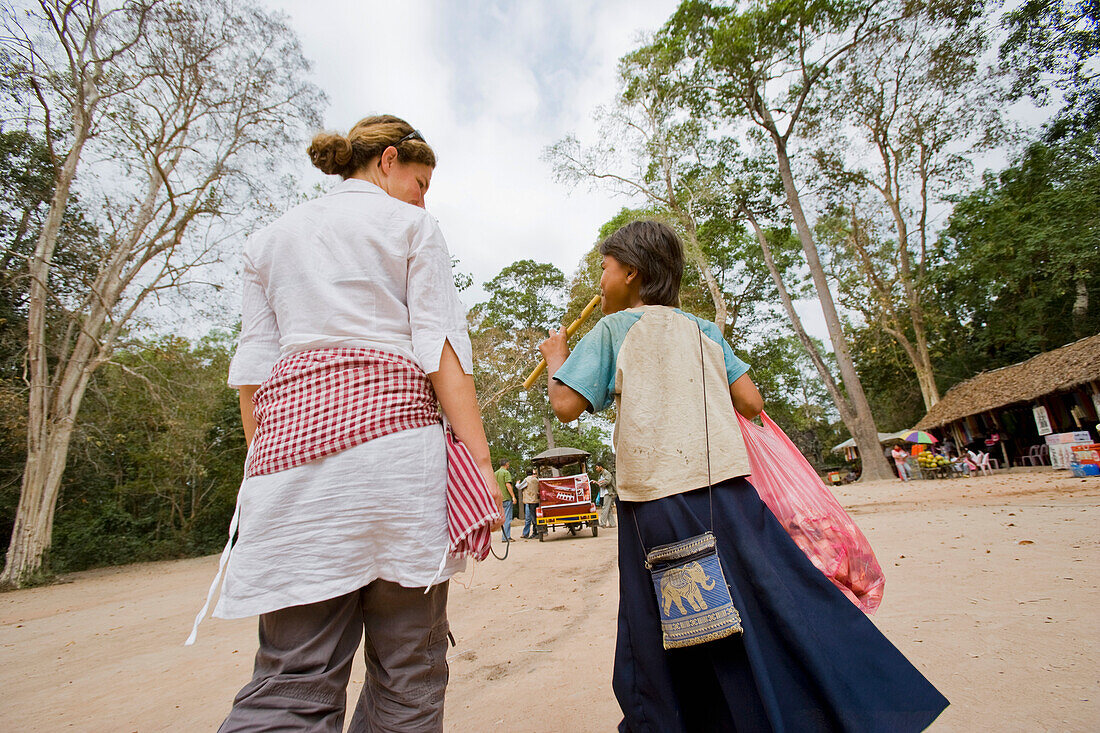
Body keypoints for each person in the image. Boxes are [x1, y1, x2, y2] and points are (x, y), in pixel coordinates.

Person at [539, 220, 948, 732]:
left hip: (658, 503)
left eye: (604, 269)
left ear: (631, 274)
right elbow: (751, 400)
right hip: (729, 492)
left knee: (666, 622)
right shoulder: (702, 329)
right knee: (754, 605)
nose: (600, 281)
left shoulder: (612, 330)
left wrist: (558, 359)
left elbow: (566, 405)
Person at [207, 115, 501, 732]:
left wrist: (266, 473)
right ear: (388, 160)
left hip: (289, 474)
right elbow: (441, 349)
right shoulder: (414, 226)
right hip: (400, 472)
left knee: (290, 678)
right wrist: (480, 465)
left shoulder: (267, 241)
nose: (424, 198)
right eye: (421, 181)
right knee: (409, 676)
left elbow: (254, 372)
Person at [495, 459, 516, 542]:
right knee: (507, 518)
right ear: (506, 464)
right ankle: (506, 537)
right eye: (508, 464)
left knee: (502, 518)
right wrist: (513, 496)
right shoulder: (506, 473)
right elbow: (508, 485)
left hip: (498, 499)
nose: (509, 465)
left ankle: (504, 535)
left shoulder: (495, 473)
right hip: (506, 498)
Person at [595, 463, 617, 528]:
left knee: (605, 508)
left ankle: (602, 523)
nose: (596, 469)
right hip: (603, 493)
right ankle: (612, 524)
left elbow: (608, 481)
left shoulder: (606, 473)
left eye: (597, 467)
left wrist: (599, 483)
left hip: (608, 492)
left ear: (600, 467)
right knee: (608, 508)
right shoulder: (600, 474)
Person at [520, 467, 540, 539]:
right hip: (536, 500)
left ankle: (536, 532)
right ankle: (536, 532)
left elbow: (520, 487)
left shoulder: (527, 480)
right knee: (536, 516)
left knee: (533, 518)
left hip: (530, 501)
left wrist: (517, 484)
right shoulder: (536, 480)